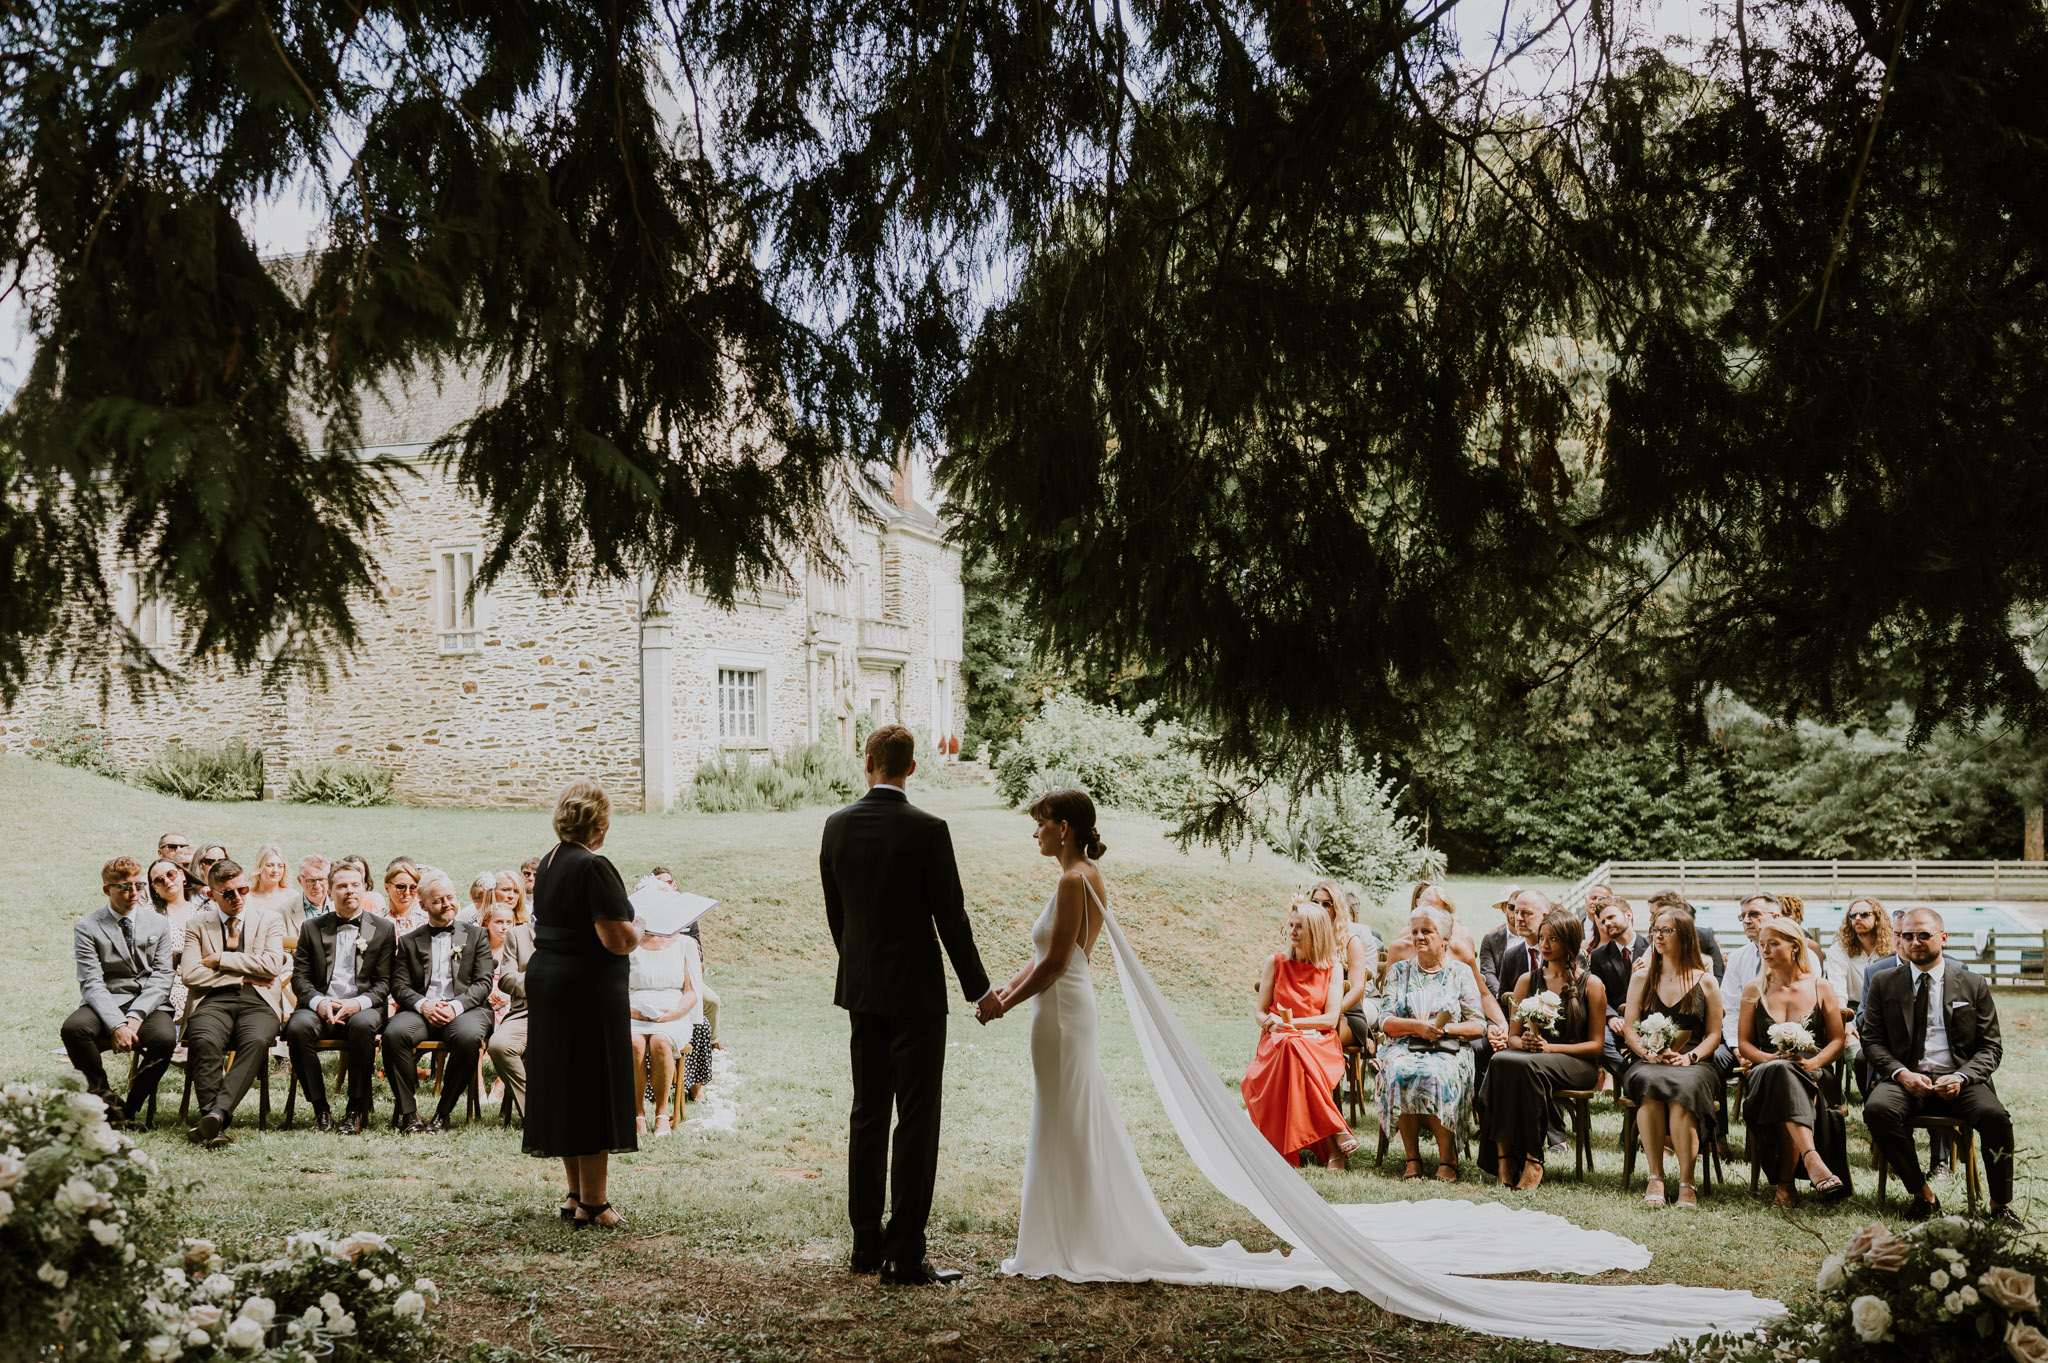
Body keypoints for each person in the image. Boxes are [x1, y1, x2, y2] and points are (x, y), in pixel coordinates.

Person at [822, 725, 994, 1285]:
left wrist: (859, 965)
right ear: (911, 768)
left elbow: (838, 917)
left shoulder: (836, 826)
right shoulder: (929, 830)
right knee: (917, 1120)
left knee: (867, 1113)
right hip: (918, 995)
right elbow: (952, 917)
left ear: (867, 761)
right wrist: (978, 989)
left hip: (863, 992)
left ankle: (864, 1245)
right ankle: (905, 1254)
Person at [524, 780, 642, 1229]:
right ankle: (595, 1203)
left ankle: (576, 1194)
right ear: (600, 823)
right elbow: (615, 938)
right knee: (592, 1085)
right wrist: (640, 927)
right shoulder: (595, 867)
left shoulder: (550, 862)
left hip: (551, 980)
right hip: (585, 987)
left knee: (567, 1085)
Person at [1860, 906, 2015, 1223]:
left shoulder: (1972, 984)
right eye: (1907, 936)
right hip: (1905, 1080)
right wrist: (1901, 1074)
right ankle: (1923, 1195)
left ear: (1942, 938)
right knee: (1877, 1109)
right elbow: (1872, 1041)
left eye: (1923, 935)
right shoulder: (1884, 983)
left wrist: (1961, 1076)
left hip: (1960, 1080)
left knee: (1996, 1117)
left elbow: (1990, 1047)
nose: (1914, 941)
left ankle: (2000, 1206)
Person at [1483, 907, 1606, 1190]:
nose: (1545, 945)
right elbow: (1512, 1037)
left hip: (1577, 1064)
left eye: (1553, 939)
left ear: (1570, 942)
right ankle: (1503, 1159)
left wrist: (1552, 1048)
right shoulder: (1527, 980)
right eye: (1542, 938)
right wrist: (1523, 1042)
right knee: (1501, 1060)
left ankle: (1532, 1159)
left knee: (1527, 1067)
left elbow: (1596, 1045)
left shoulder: (1592, 985)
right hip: (1535, 1059)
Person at [1736, 917, 1850, 1207]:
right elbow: (1745, 1044)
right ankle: (1812, 1159)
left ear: (1795, 946)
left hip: (1812, 1071)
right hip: (1765, 1069)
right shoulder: (1753, 990)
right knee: (1779, 1072)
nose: (1765, 950)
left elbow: (1837, 1040)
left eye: (1773, 944)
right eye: (1762, 945)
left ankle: (1786, 1185)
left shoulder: (1820, 987)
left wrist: (1814, 1063)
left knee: (1786, 1083)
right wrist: (1769, 1058)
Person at [178, 858, 289, 1148]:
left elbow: (272, 965)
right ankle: (213, 1122)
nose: (237, 898)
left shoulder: (269, 919)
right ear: (211, 894)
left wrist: (221, 960)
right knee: (204, 1039)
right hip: (213, 1000)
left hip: (259, 1001)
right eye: (228, 893)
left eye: (243, 889)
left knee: (256, 1041)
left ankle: (216, 1115)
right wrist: (239, 978)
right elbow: (190, 973)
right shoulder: (197, 925)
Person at [1619, 906, 1724, 1207]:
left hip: (1694, 1063)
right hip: (1648, 1060)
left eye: (1667, 930)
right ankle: (1655, 1177)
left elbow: (1714, 1035)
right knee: (1648, 1086)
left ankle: (1686, 1182)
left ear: (1686, 936)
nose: (1658, 936)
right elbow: (1629, 1029)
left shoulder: (1705, 981)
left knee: (1683, 1094)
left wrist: (1689, 1058)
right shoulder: (1642, 977)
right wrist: (1646, 1053)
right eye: (1655, 930)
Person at [62, 856, 178, 1123]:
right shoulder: (88, 927)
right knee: (74, 1029)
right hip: (107, 999)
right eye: (125, 887)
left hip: (149, 1003)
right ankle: (106, 1098)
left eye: (139, 885)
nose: (134, 893)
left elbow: (162, 976)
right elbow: (91, 982)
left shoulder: (158, 923)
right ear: (107, 890)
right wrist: (116, 1024)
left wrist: (135, 1017)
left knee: (164, 1038)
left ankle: (130, 1109)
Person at [1242, 902, 1358, 1165]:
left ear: (1316, 931)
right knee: (1290, 1047)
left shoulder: (1333, 968)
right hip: (1276, 1041)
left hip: (1320, 1042)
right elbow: (1259, 1012)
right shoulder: (1275, 962)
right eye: (1291, 925)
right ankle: (1334, 1137)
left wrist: (1295, 1025)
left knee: (1293, 1048)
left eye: (1299, 927)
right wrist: (1270, 1021)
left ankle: (1331, 1143)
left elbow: (1329, 1019)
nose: (1292, 931)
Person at [1378, 904, 1488, 1183]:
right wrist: (1417, 1027)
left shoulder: (1460, 973)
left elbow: (1478, 1025)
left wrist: (1443, 1029)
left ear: (1445, 940)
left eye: (1427, 931)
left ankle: (1447, 1158)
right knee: (1400, 1071)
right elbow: (1385, 1021)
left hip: (1449, 1047)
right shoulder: (1399, 972)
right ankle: (1412, 1159)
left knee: (1439, 1073)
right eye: (1415, 931)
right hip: (1404, 1045)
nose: (1419, 937)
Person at [283, 862, 396, 1134]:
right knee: (297, 1028)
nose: (349, 891)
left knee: (362, 1026)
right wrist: (320, 1003)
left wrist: (355, 1004)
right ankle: (320, 1108)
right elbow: (300, 978)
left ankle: (355, 1109)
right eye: (342, 886)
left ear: (365, 888)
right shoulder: (312, 928)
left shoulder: (382, 929)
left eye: (355, 885)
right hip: (320, 1005)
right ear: (331, 891)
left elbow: (384, 983)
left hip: (363, 1006)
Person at [383, 868, 494, 1133]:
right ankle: (409, 1114)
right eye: (438, 900)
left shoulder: (476, 936)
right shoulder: (410, 941)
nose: (447, 904)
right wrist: (424, 1005)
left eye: (450, 897)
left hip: (466, 1009)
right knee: (393, 1034)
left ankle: (443, 1114)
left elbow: (483, 983)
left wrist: (455, 1006)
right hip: (422, 1010)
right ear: (423, 905)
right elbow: (399, 985)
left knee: (468, 1039)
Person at [626, 908, 701, 1137]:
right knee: (634, 1043)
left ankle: (661, 1114)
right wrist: (634, 1012)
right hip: (632, 1011)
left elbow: (691, 992)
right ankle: (637, 1114)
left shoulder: (685, 944)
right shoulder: (628, 943)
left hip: (672, 1011)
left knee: (660, 1041)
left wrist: (675, 1013)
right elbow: (615, 989)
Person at [1711, 893, 1780, 1077]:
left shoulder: (1804, 957)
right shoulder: (1737, 957)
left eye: (1754, 914)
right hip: (1743, 1039)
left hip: (1781, 1040)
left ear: (1775, 917)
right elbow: (1730, 1008)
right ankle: (1717, 1106)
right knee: (1715, 1056)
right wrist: (1737, 1047)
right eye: (1743, 916)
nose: (1747, 921)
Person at [1307, 879, 1376, 1051]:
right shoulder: (1304, 940)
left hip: (1346, 1015)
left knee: (1313, 1040)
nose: (1320, 908)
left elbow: (1357, 988)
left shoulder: (1351, 942)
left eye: (1326, 904)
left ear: (1336, 909)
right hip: (1311, 1015)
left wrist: (1332, 1013)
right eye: (1315, 903)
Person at [485, 901, 536, 1119]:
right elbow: (506, 979)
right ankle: (535, 1113)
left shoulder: (575, 932)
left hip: (565, 1013)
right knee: (499, 1045)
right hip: (525, 1011)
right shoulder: (518, 934)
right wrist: (541, 981)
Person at [1587, 896, 1648, 1080]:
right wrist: (1611, 1017)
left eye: (1611, 917)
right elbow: (1598, 995)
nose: (1606, 924)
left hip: (1647, 1018)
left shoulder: (1652, 948)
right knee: (1600, 1041)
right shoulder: (1598, 956)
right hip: (1617, 1020)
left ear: (1628, 915)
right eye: (1603, 921)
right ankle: (1631, 1077)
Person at [1824, 897, 1890, 1014]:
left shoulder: (1891, 948)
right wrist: (1845, 1021)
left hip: (1886, 1008)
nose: (1858, 918)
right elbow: (1838, 990)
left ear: (1877, 918)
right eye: (1853, 915)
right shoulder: (1838, 950)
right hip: (1852, 1009)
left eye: (1864, 914)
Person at [1646, 890, 1726, 979]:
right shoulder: (1653, 938)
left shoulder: (1704, 937)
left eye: (1654, 914)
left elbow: (1718, 976)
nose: (1651, 919)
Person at [247, 844, 296, 920]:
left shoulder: (292, 896)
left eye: (280, 866)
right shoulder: (247, 897)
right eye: (270, 865)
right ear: (260, 867)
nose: (275, 870)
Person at [381, 858, 426, 935]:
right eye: (401, 887)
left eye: (413, 887)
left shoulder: (427, 920)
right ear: (387, 887)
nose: (407, 893)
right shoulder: (377, 919)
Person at [295, 855, 331, 930]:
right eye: (311, 880)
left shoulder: (341, 906)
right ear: (300, 880)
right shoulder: (285, 912)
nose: (317, 886)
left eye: (321, 879)